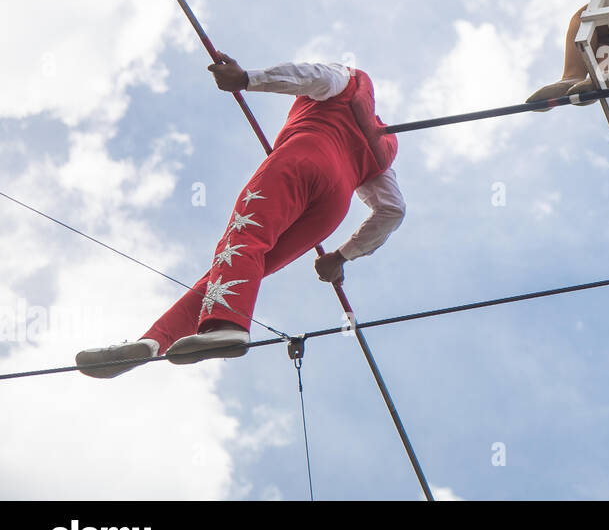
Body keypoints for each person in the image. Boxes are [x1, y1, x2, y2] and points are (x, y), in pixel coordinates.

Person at [75, 55, 405, 377]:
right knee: (239, 266)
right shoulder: (384, 146)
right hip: (332, 208)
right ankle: (154, 341)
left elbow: (311, 76)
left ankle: (228, 326)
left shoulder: (348, 79)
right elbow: (392, 210)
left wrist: (247, 79)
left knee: (243, 241)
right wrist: (341, 256)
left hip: (303, 158)